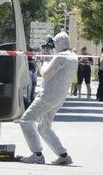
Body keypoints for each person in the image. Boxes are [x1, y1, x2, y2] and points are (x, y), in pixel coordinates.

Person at [19, 32, 78, 165]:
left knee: (26, 120)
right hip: (59, 97)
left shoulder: (60, 58)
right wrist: (51, 55)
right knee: (44, 127)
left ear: (58, 44)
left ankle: (37, 154)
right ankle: (63, 155)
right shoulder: (73, 57)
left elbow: (45, 74)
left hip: (48, 95)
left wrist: (45, 60)